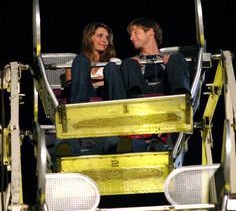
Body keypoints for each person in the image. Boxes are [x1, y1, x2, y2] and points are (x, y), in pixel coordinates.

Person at [120, 17, 191, 152]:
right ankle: (138, 104)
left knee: (176, 58)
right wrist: (134, 68)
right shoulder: (132, 63)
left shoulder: (169, 60)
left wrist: (169, 65)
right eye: (131, 34)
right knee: (128, 63)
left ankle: (181, 103)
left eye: (135, 32)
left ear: (150, 32)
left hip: (167, 102)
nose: (131, 37)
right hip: (142, 104)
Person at [62, 21, 126, 156]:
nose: (105, 41)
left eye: (107, 38)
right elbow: (72, 84)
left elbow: (115, 83)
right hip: (85, 98)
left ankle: (122, 119)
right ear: (90, 37)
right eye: (100, 36)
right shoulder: (76, 63)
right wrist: (96, 80)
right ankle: (79, 115)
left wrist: (89, 79)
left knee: (112, 67)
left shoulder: (113, 63)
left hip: (106, 97)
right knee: (80, 60)